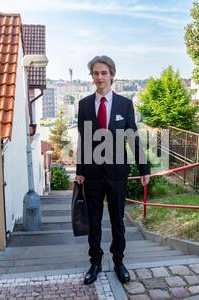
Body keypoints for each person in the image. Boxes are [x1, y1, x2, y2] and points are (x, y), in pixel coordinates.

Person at [76, 56, 150, 285]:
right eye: (96, 73)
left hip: (117, 173)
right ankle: (95, 262)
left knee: (117, 220)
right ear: (92, 77)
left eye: (104, 73)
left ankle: (119, 261)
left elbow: (132, 138)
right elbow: (83, 139)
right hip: (92, 175)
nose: (100, 77)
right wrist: (79, 170)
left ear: (112, 76)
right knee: (95, 221)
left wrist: (144, 167)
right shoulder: (85, 105)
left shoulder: (125, 104)